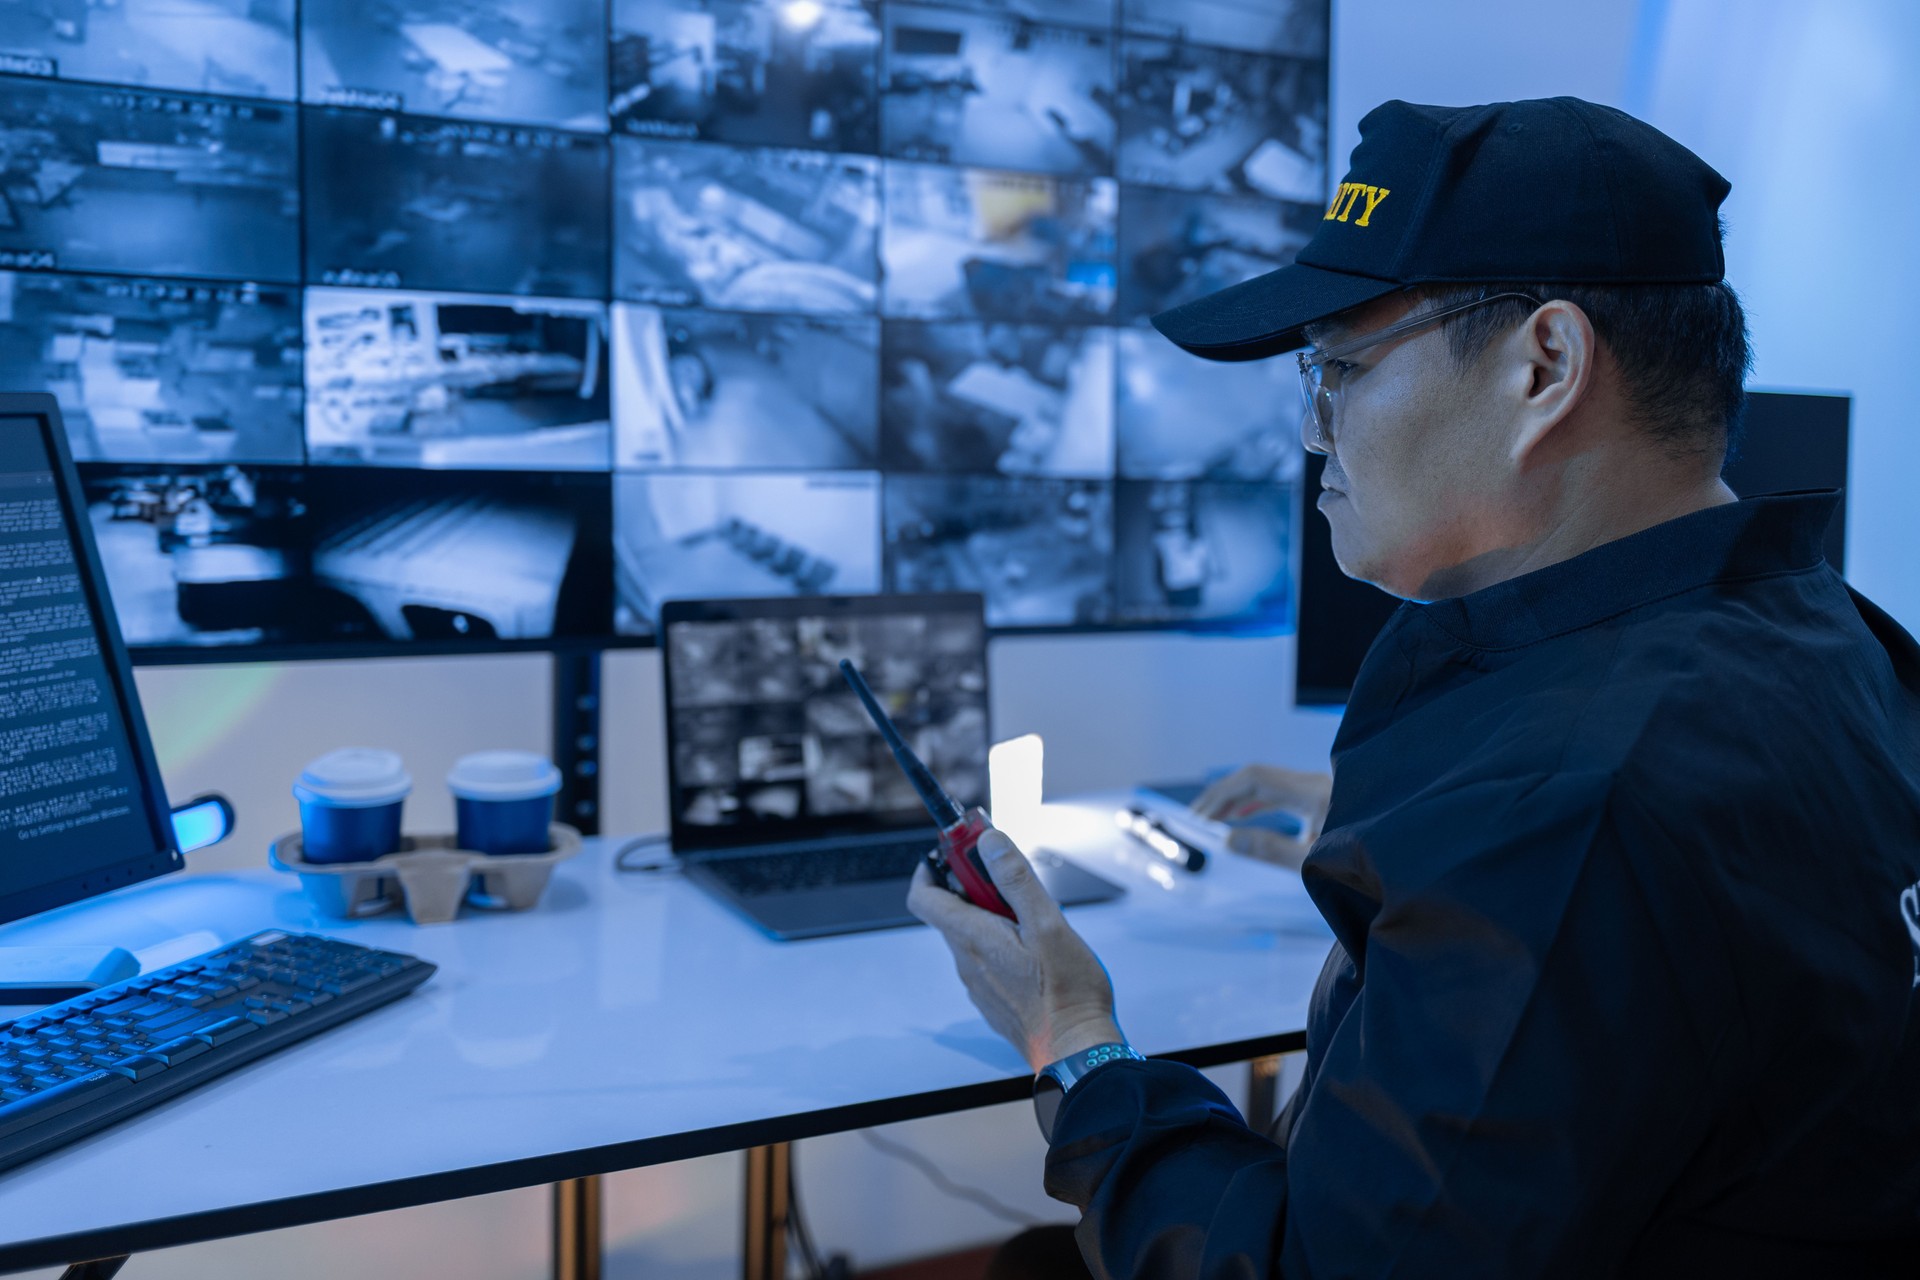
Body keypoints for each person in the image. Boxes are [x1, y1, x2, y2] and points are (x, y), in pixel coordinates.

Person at [911, 96, 1920, 1278]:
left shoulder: (1560, 805)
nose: (1313, 431)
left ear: (1544, 365)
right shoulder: (1841, 643)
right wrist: (1424, 850)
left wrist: (1076, 1038)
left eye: (1340, 367)